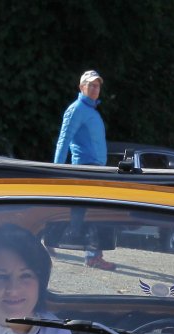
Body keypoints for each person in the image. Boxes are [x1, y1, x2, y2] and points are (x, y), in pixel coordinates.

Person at [51, 69, 114, 270]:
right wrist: (56, 170)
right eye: (91, 85)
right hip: (84, 169)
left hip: (95, 169)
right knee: (88, 211)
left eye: (98, 86)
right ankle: (92, 255)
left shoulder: (91, 111)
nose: (95, 89)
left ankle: (52, 243)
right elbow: (64, 140)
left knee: (82, 212)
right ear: (81, 87)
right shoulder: (76, 109)